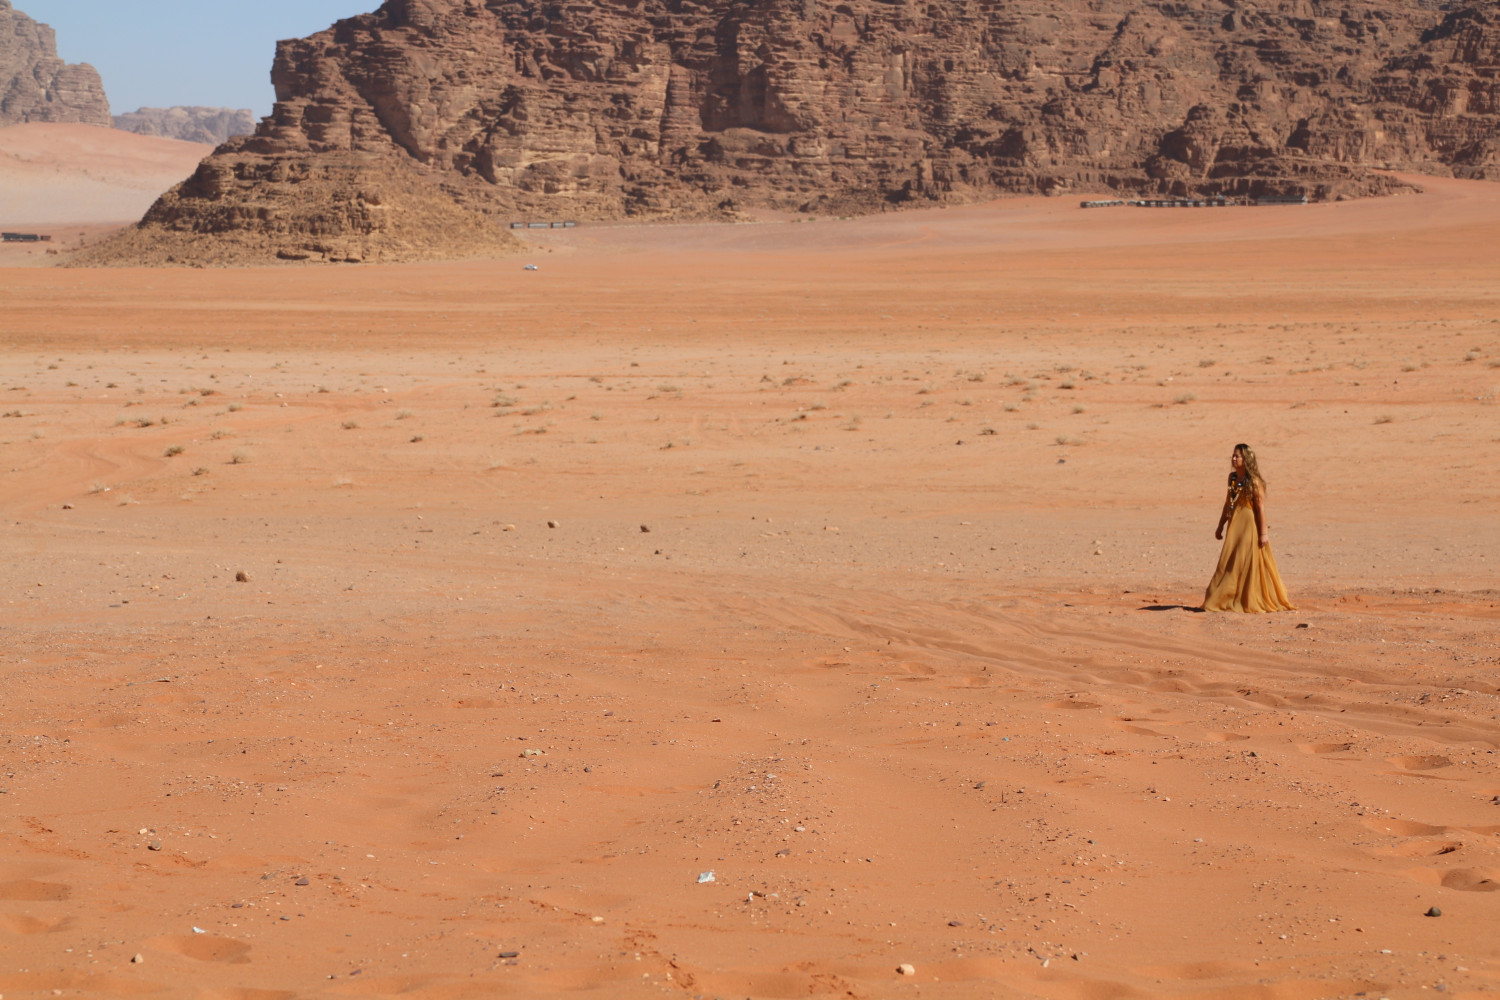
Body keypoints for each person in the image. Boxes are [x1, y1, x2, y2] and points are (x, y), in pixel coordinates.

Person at [1202, 443, 1295, 612]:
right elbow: (1228, 502)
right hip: (1234, 525)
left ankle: (1247, 598)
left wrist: (1263, 533)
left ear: (1246, 460)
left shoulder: (1254, 481)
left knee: (1243, 561)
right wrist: (1220, 525)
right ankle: (1226, 596)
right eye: (1233, 455)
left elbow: (1260, 508)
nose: (1234, 458)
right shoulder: (1232, 478)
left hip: (1248, 526)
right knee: (1229, 561)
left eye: (1238, 456)